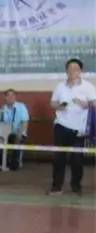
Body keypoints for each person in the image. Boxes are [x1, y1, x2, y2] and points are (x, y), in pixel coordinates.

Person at [49, 57, 94, 196]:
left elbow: (94, 104)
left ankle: (76, 187)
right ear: (66, 71)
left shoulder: (88, 86)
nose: (72, 71)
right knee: (58, 158)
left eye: (75, 69)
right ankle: (57, 187)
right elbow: (53, 103)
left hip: (79, 128)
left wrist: (86, 104)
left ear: (81, 71)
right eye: (70, 69)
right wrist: (60, 106)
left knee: (77, 159)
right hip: (61, 125)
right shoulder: (60, 86)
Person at [0, 89, 29, 171]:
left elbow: (25, 122)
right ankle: (4, 163)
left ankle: (14, 164)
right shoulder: (2, 109)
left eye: (13, 95)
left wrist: (20, 133)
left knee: (17, 139)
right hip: (4, 134)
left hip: (18, 132)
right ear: (5, 98)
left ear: (15, 97)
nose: (11, 97)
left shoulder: (21, 106)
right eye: (8, 95)